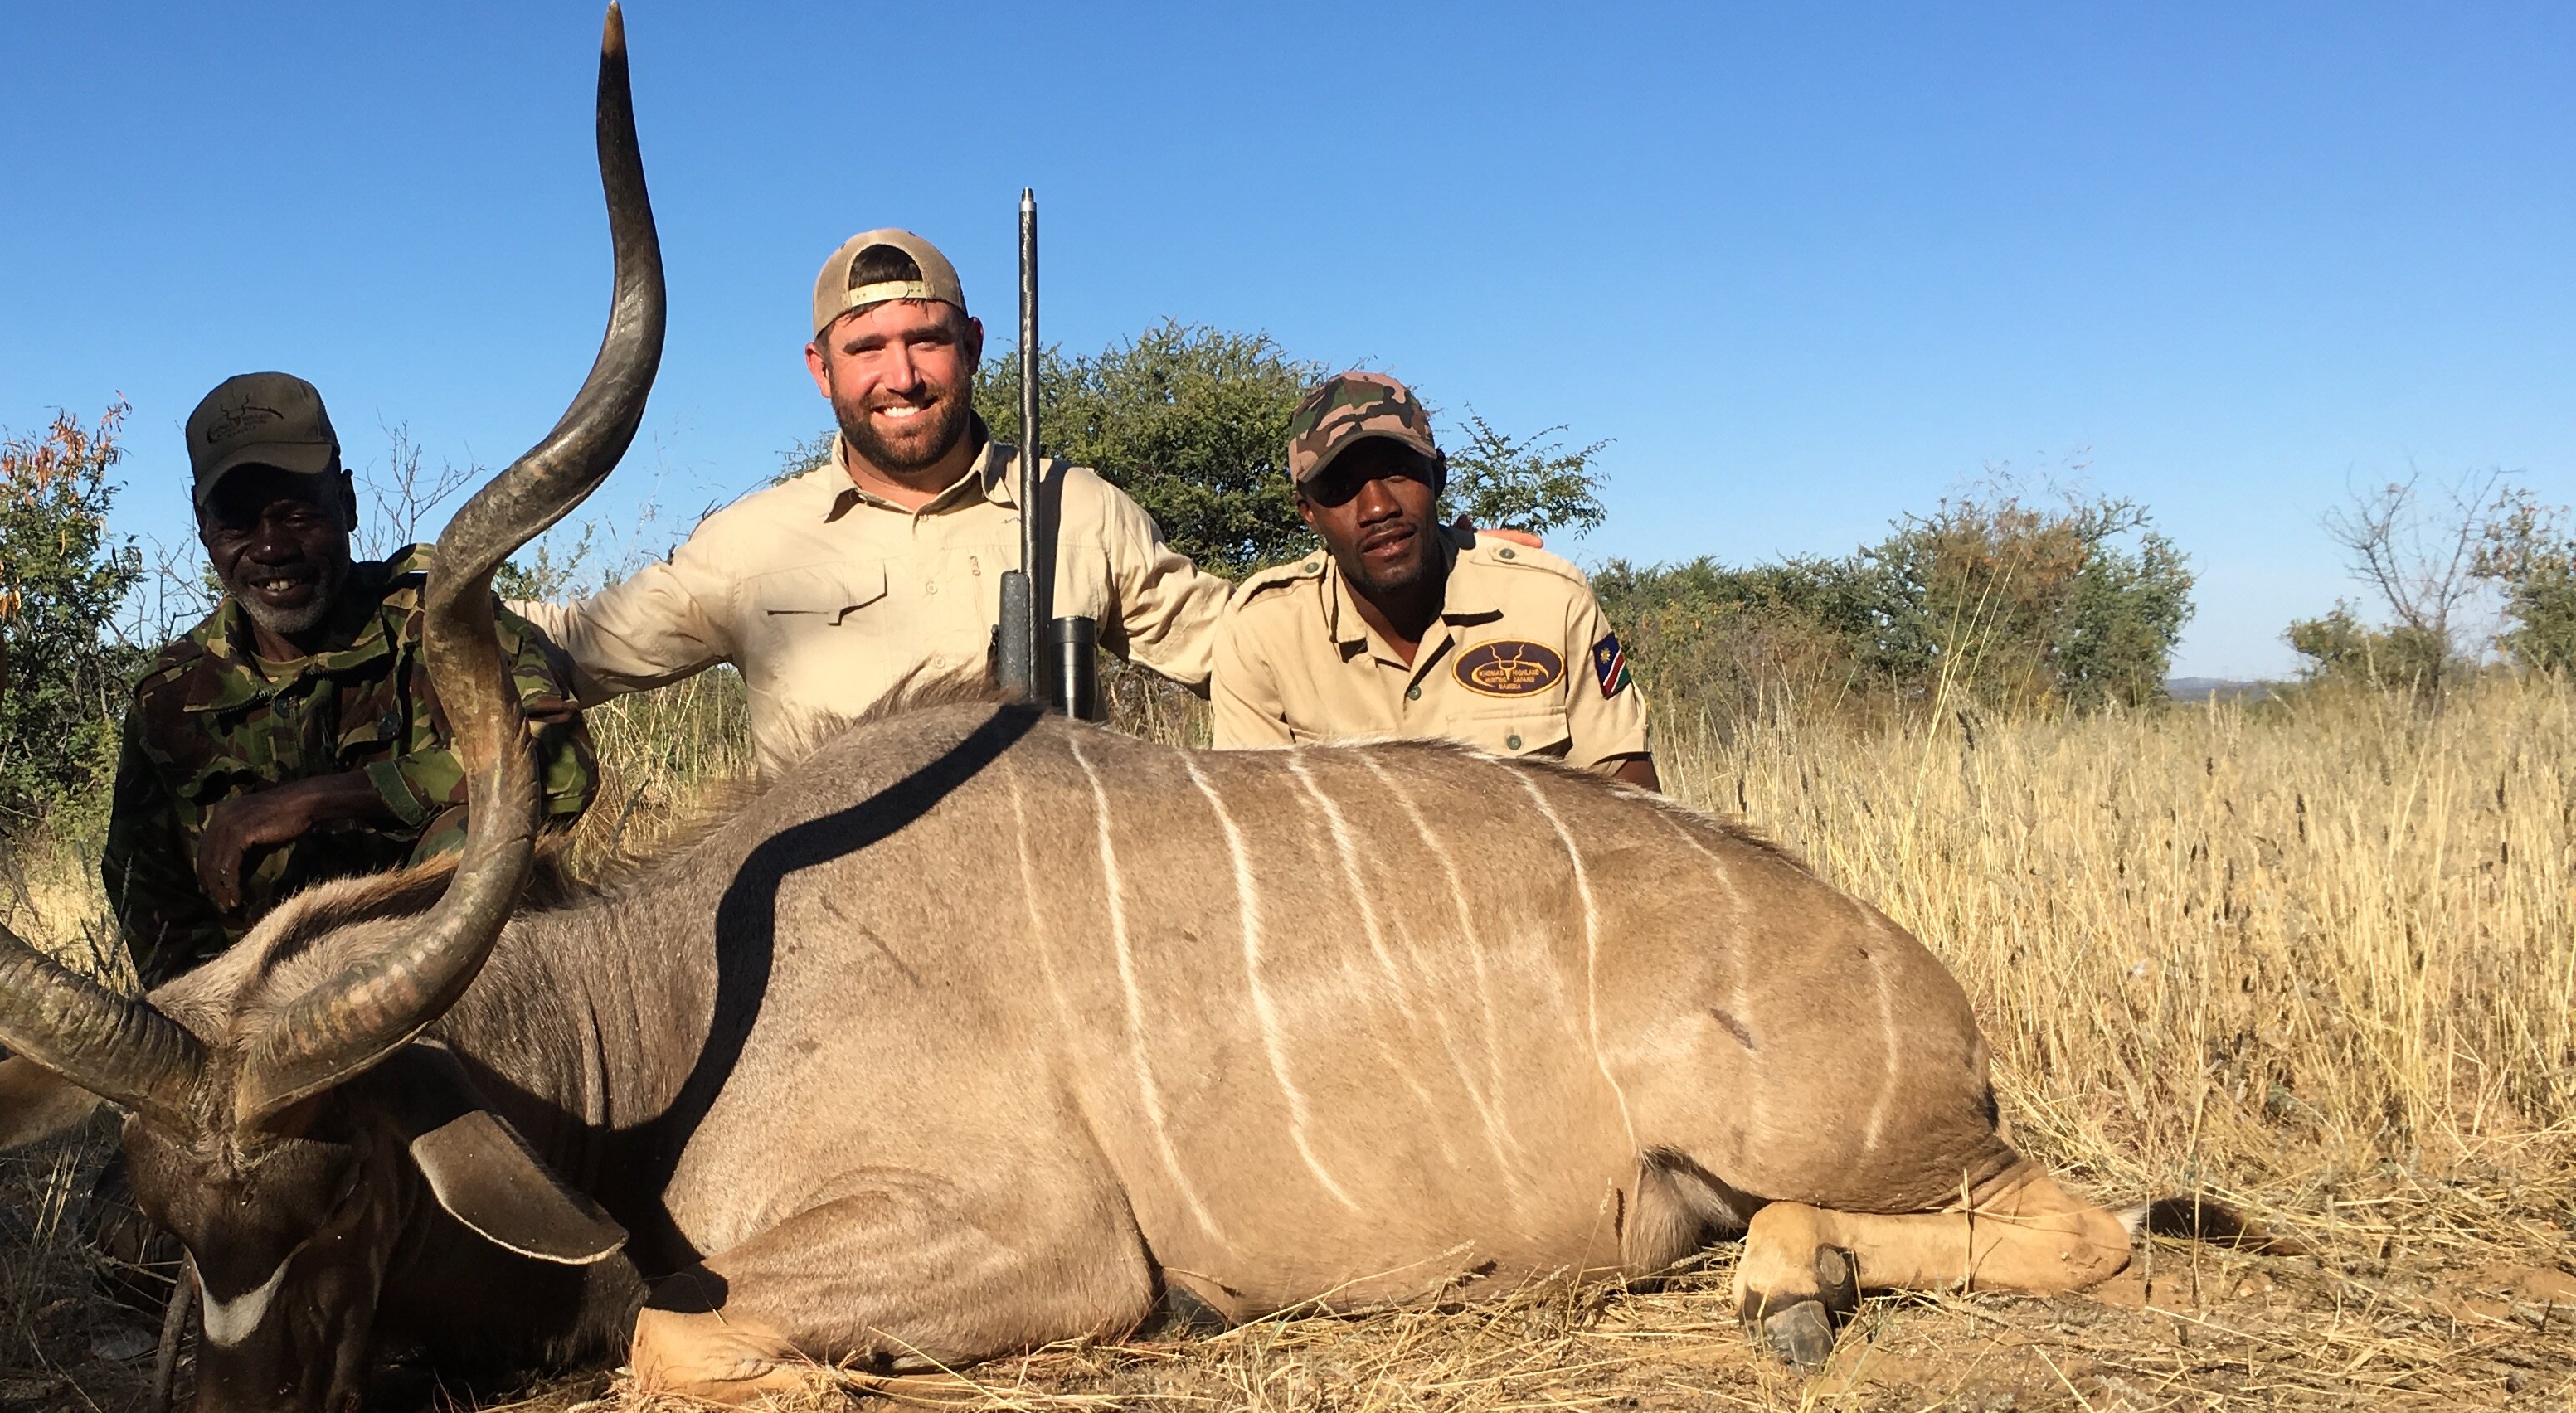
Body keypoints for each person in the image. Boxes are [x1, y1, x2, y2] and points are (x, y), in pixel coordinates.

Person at [526, 229, 1229, 774]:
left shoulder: (1077, 509)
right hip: (829, 942)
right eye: (866, 349)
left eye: (926, 340)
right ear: (820, 369)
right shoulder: (753, 543)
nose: (902, 376)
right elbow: (576, 644)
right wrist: (427, 606)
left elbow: (1240, 648)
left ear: (974, 344)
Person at [101, 372, 598, 987]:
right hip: (266, 1026)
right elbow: (153, 908)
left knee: (482, 832)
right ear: (204, 529)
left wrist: (316, 800)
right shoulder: (169, 700)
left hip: (453, 1001)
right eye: (238, 522)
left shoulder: (439, 622)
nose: (271, 548)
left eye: (297, 513)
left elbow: (560, 760)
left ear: (348, 503)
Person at [1209, 372, 1658, 787]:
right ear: (1309, 512)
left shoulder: (1550, 600)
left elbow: (1631, 799)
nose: (1377, 508)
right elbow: (1263, 834)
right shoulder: (1261, 634)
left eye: (1396, 471)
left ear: (1438, 477)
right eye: (1341, 487)